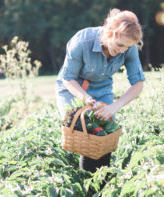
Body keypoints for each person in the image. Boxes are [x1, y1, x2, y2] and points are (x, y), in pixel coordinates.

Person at [55, 8, 145, 173]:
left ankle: (102, 182)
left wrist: (115, 106)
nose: (123, 50)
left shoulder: (128, 47)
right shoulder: (82, 42)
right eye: (120, 45)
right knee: (85, 130)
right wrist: (86, 98)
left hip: (102, 88)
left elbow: (138, 84)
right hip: (73, 87)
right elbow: (68, 78)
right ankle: (88, 184)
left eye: (127, 47)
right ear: (110, 33)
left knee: (105, 134)